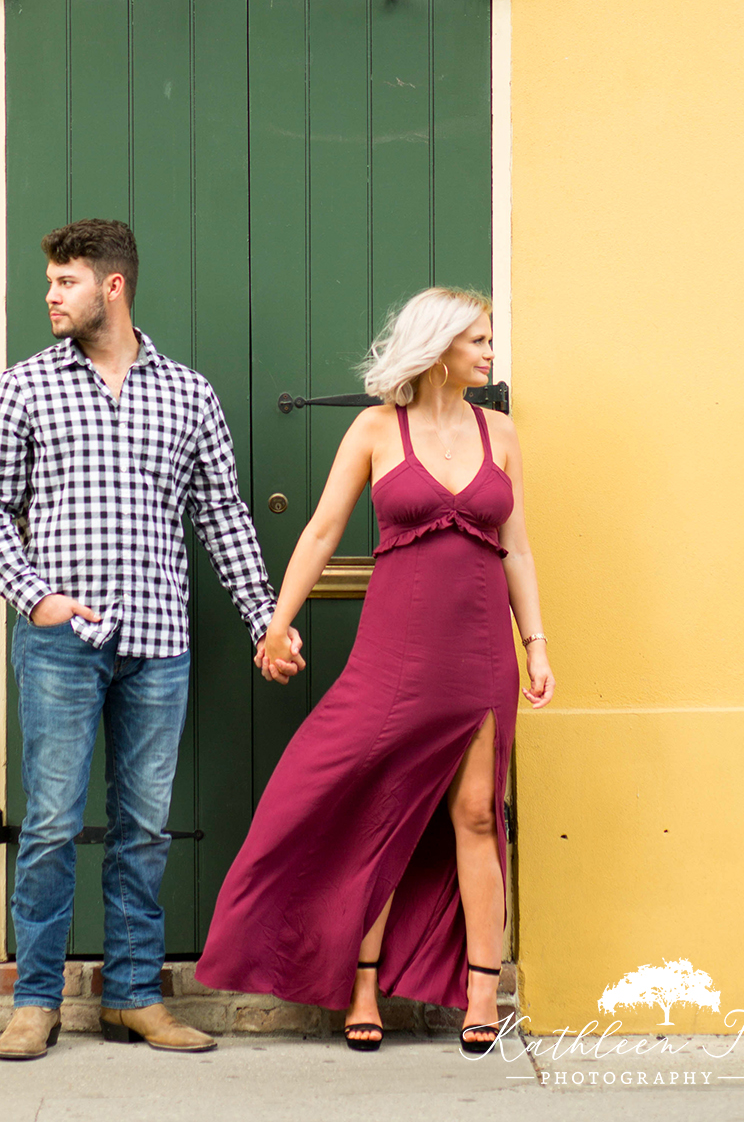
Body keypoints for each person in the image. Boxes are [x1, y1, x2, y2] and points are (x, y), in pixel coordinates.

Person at [0, 218, 300, 1061]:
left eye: (66, 282)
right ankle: (35, 1001)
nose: (50, 295)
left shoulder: (189, 393)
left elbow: (221, 516)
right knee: (47, 826)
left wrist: (267, 621)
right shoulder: (23, 387)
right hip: (62, 644)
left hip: (160, 639)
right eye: (49, 281)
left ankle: (135, 998)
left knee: (144, 829)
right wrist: (35, 597)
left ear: (113, 286)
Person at [195, 287, 554, 1056]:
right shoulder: (374, 429)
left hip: (482, 646)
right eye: (479, 340)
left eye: (491, 340)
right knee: (378, 808)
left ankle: (481, 992)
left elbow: (517, 548)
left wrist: (537, 645)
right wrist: (278, 619)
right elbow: (323, 530)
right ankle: (363, 982)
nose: (491, 353)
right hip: (396, 654)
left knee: (476, 814)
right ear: (438, 347)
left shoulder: (502, 432)